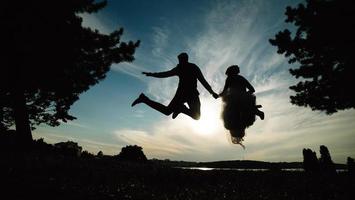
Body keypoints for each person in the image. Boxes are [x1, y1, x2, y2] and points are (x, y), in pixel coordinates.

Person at [131, 52, 219, 120]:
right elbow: (165, 74)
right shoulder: (182, 68)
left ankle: (180, 108)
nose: (180, 62)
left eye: (181, 60)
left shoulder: (189, 67)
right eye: (179, 60)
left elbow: (203, 81)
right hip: (188, 94)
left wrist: (212, 92)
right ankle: (145, 100)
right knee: (195, 116)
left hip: (188, 94)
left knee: (170, 112)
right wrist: (152, 74)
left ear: (185, 59)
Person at [219, 65, 264, 148]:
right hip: (237, 101)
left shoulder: (233, 78)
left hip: (238, 101)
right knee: (239, 119)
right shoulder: (236, 78)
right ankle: (257, 112)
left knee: (236, 119)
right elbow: (252, 90)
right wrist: (219, 95)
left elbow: (252, 89)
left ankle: (257, 112)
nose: (228, 75)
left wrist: (244, 95)